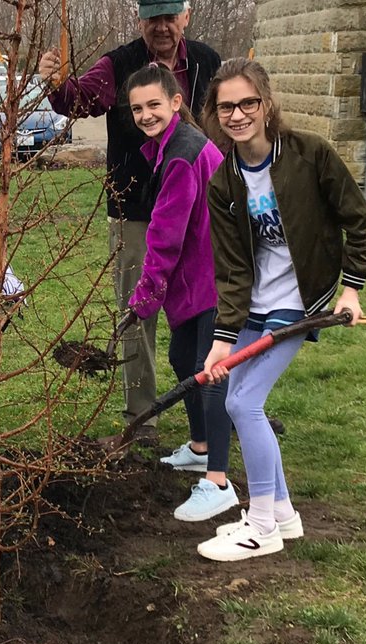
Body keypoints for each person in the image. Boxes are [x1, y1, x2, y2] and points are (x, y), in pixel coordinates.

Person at [197, 58, 366, 562]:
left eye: (247, 103)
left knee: (243, 404)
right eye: (226, 106)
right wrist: (221, 341)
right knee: (237, 395)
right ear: (215, 112)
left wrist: (351, 290)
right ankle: (283, 516)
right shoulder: (224, 181)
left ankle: (260, 526)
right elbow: (231, 271)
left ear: (266, 104)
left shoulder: (309, 153)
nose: (237, 115)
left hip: (301, 302)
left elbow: (359, 222)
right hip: (255, 301)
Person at [39, 0, 221, 446]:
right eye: (152, 18)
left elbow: (223, 117)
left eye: (169, 16)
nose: (161, 27)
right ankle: (144, 421)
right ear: (140, 20)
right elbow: (79, 100)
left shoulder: (205, 62)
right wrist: (56, 83)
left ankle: (221, 412)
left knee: (205, 314)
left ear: (185, 16)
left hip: (202, 215)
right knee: (141, 314)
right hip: (137, 213)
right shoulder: (119, 64)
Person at [122, 64, 237, 522]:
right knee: (181, 361)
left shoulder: (180, 156)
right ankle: (200, 444)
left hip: (216, 278)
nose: (145, 115)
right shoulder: (169, 146)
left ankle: (219, 481)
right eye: (137, 108)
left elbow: (164, 235)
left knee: (208, 372)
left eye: (153, 104)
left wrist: (143, 300)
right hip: (197, 276)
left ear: (174, 102)